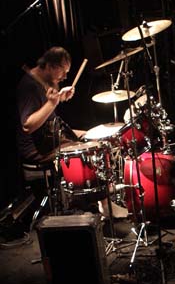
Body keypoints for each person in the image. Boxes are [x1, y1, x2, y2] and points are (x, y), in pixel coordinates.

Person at [16, 46, 127, 218]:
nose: (66, 77)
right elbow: (28, 125)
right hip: (37, 148)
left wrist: (59, 96)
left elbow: (47, 108)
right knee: (88, 148)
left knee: (92, 134)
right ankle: (101, 201)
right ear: (51, 66)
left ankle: (102, 193)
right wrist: (51, 104)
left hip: (51, 136)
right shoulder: (30, 87)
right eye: (64, 71)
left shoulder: (41, 80)